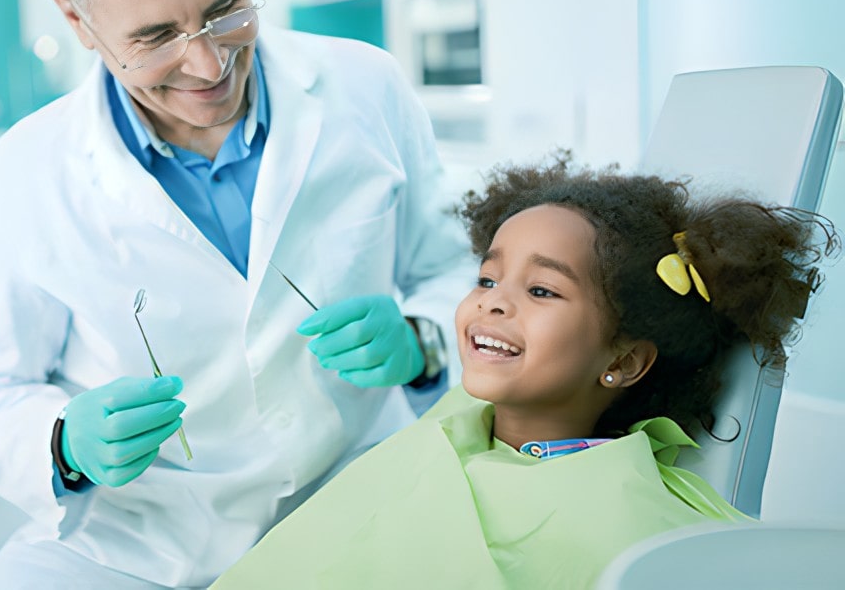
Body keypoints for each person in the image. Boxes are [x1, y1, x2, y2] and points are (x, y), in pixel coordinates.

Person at [0, 0, 472, 587]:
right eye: (156, 37)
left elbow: (454, 269)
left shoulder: (366, 85)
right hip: (142, 537)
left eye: (226, 10)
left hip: (358, 483)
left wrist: (425, 338)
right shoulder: (26, 170)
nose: (209, 63)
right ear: (76, 19)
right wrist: (64, 444)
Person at [211, 158, 839, 589]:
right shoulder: (458, 417)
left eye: (541, 290)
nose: (491, 301)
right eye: (486, 278)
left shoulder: (622, 514)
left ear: (621, 362)